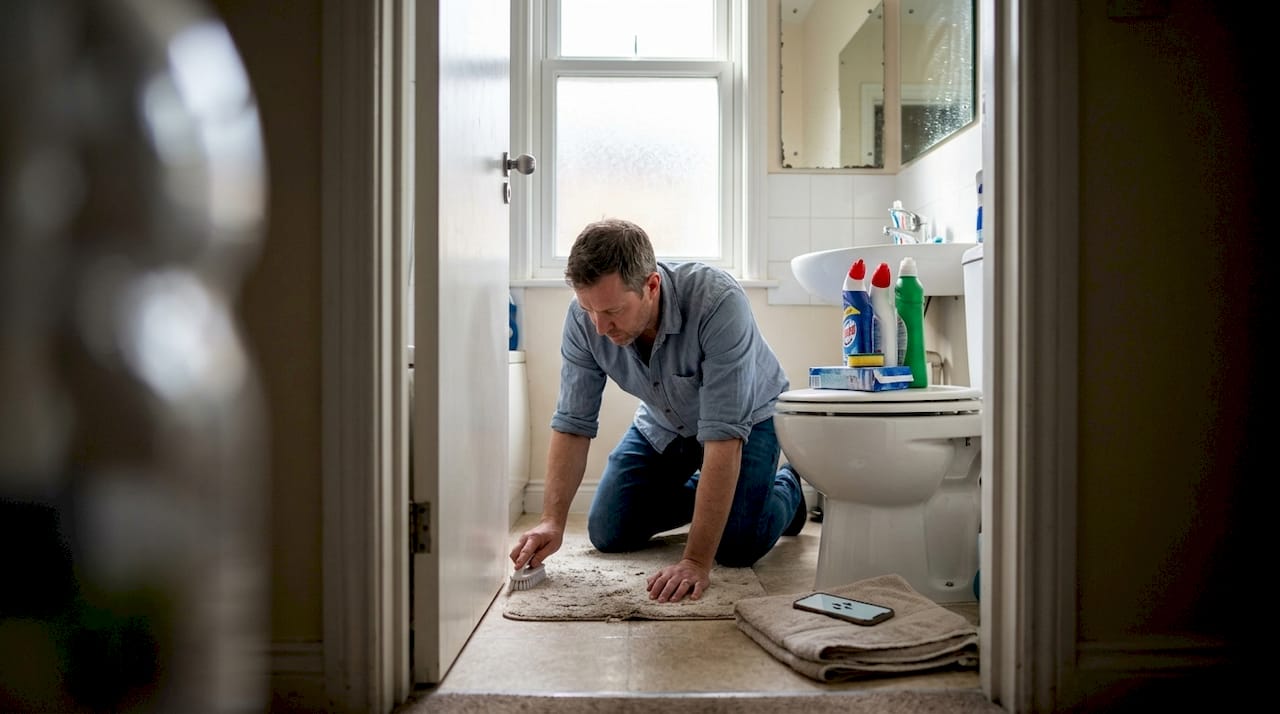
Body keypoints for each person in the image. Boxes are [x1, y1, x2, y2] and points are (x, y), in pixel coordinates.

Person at [509, 218, 807, 604]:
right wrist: (551, 520)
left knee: (736, 547)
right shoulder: (586, 320)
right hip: (666, 422)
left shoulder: (718, 302)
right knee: (609, 530)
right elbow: (572, 424)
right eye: (589, 310)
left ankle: (788, 490)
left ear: (651, 286)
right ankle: (725, 498)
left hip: (748, 421)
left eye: (612, 312)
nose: (599, 328)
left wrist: (696, 560)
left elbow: (723, 436)